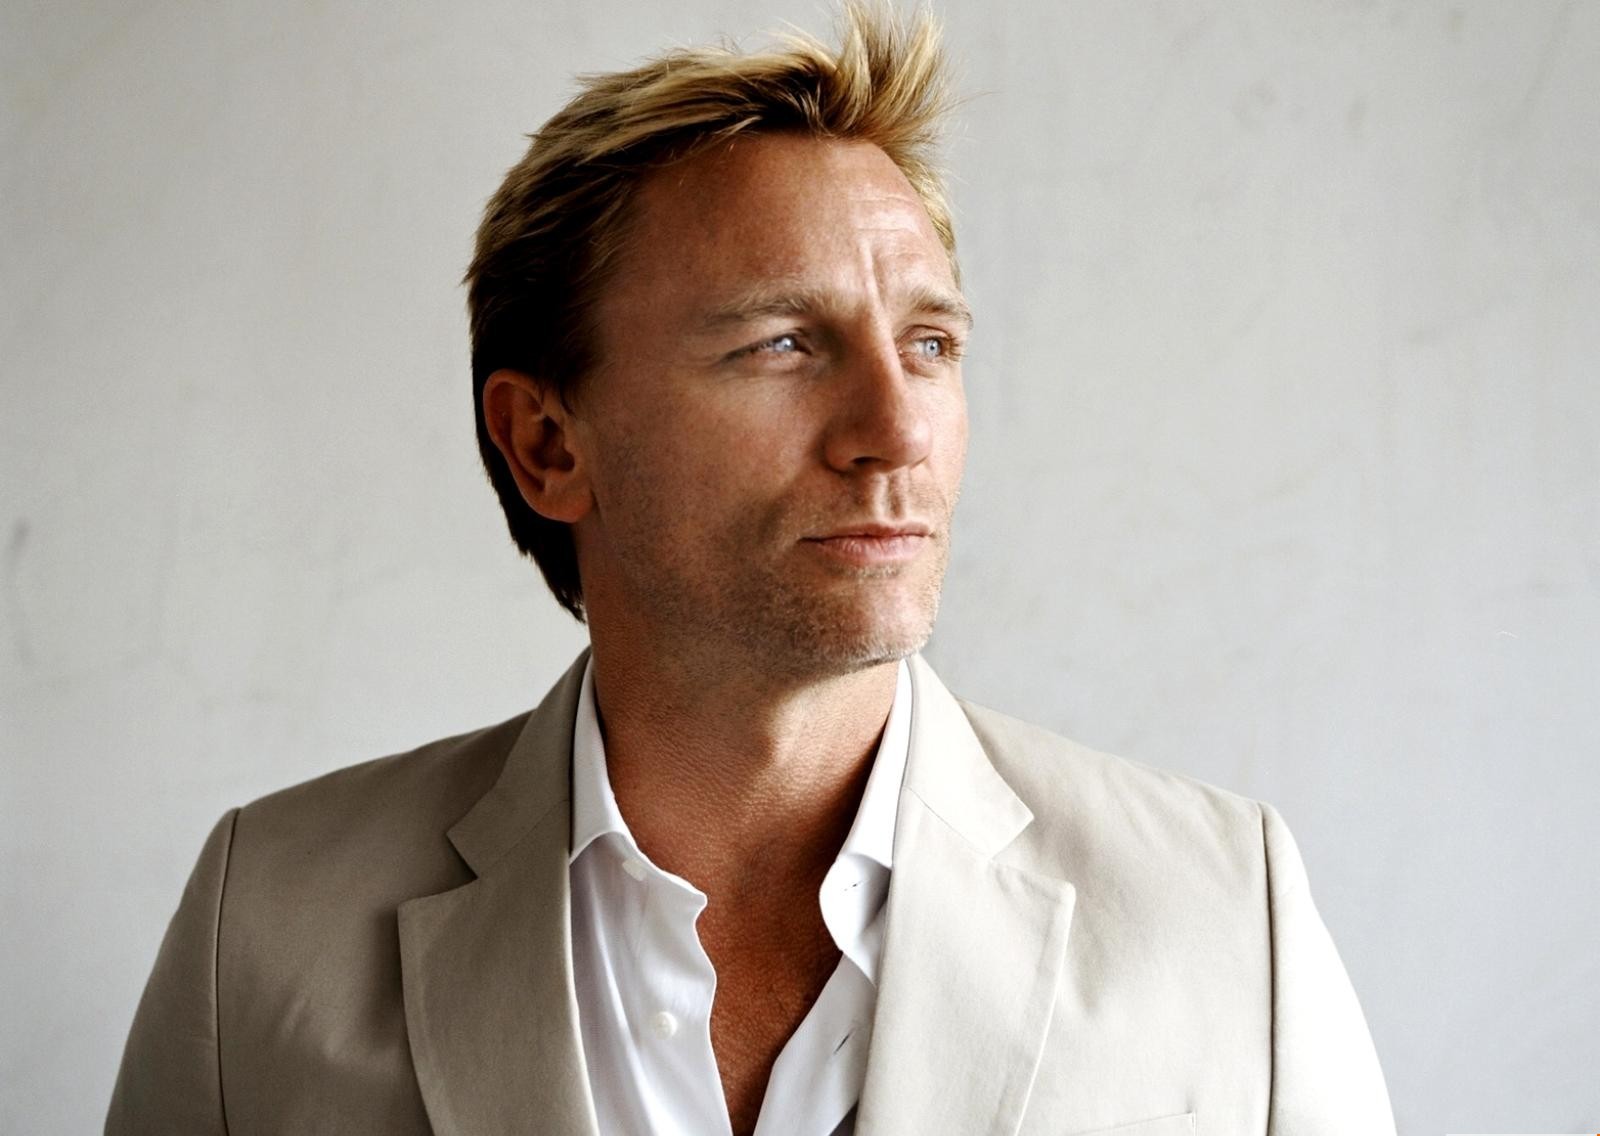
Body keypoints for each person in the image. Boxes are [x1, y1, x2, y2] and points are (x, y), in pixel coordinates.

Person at [106, 6, 1395, 1134]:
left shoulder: (1223, 907)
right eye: (783, 343)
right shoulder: (267, 920)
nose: (897, 431)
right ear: (548, 443)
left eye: (931, 344)